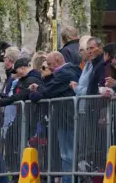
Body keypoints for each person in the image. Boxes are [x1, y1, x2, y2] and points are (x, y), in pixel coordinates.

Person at [29, 52, 81, 183]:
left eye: (50, 64)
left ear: (58, 60)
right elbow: (49, 89)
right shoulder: (67, 71)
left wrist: (36, 91)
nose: (49, 67)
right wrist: (40, 87)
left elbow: (48, 91)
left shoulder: (64, 73)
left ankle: (68, 180)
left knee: (67, 154)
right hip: (65, 117)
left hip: (67, 118)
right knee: (66, 153)